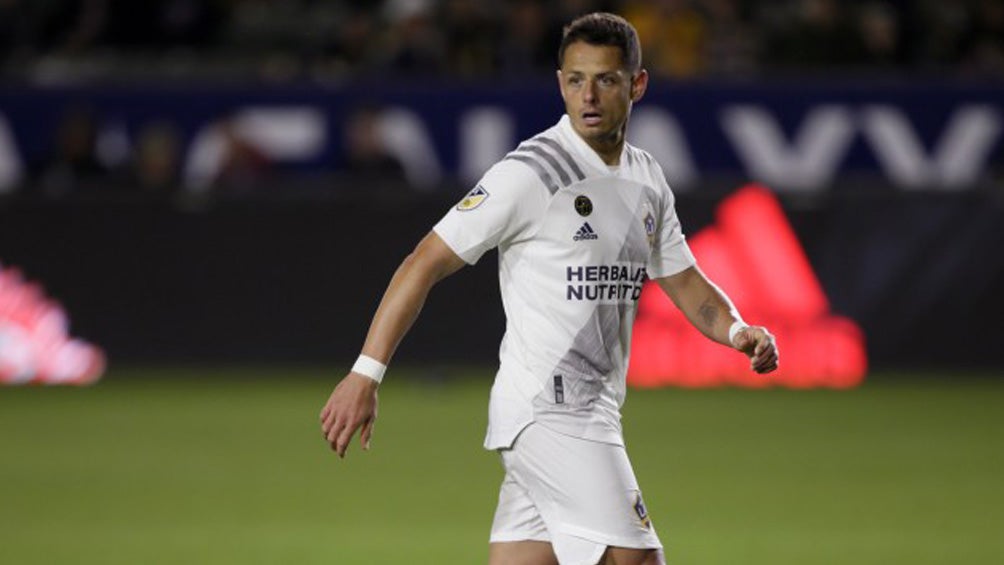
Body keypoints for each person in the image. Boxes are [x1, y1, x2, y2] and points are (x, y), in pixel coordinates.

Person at [320, 12, 778, 565]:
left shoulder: (646, 178)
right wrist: (366, 373)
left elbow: (683, 280)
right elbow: (424, 261)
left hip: (591, 409)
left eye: (606, 79)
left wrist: (736, 329)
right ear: (560, 82)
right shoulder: (531, 173)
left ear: (637, 84)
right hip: (550, 410)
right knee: (634, 558)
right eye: (575, 79)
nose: (588, 95)